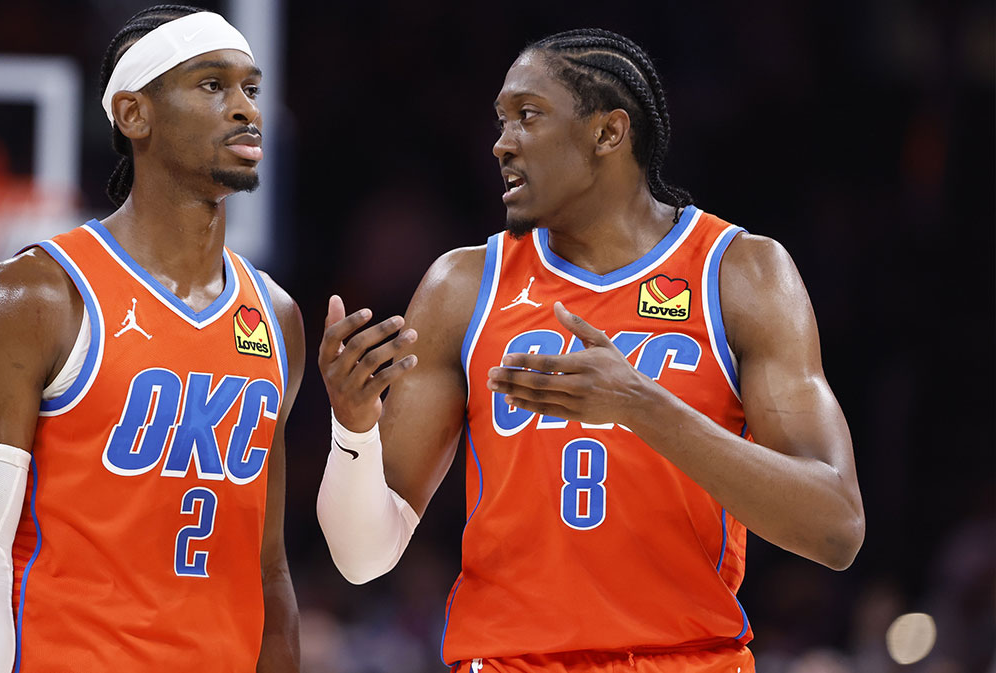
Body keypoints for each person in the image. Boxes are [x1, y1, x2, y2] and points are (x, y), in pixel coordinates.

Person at [316, 28, 865, 672]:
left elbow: (835, 527)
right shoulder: (462, 287)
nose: (502, 142)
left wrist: (642, 405)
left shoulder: (741, 273)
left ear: (609, 133)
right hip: (510, 661)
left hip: (687, 659)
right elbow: (362, 559)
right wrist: (353, 431)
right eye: (500, 120)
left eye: (528, 116)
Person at [0, 5, 303, 672]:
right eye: (213, 86)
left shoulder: (276, 317)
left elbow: (268, 567)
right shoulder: (35, 296)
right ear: (134, 115)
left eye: (251, 87)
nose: (245, 108)